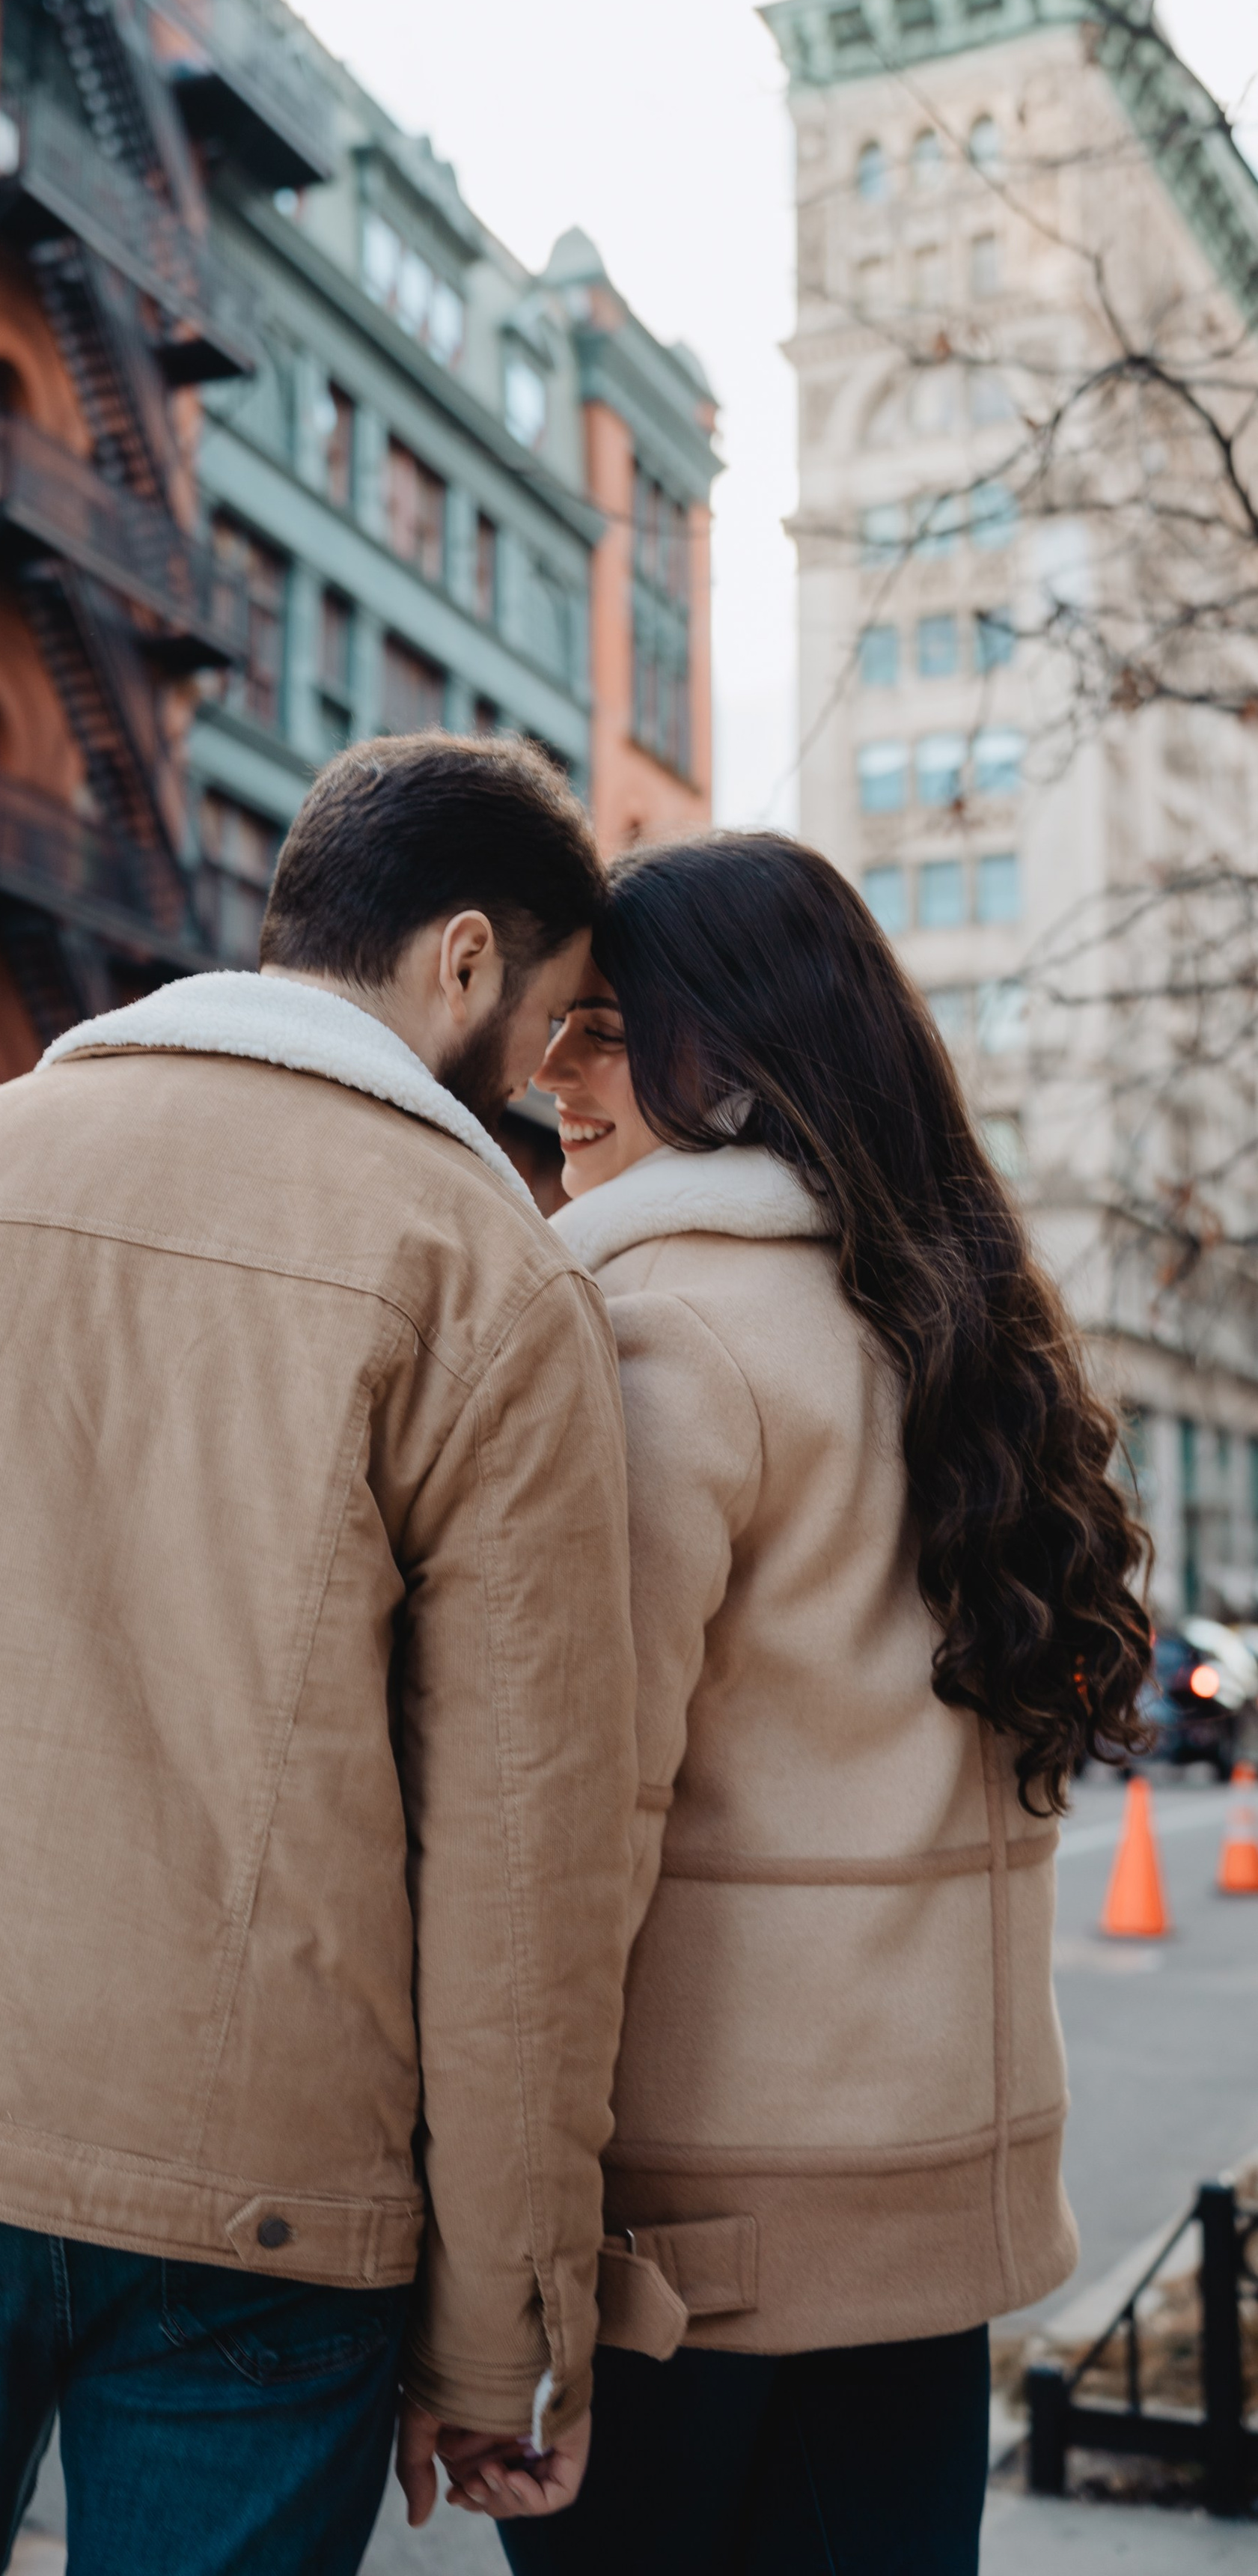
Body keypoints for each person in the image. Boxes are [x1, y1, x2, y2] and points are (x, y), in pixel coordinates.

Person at [0, 734, 637, 2576]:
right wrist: (498, 2331)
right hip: (265, 2202)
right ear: (456, 960)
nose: (540, 1068)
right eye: (551, 1011)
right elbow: (523, 1867)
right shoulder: (489, 1276)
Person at [443, 832, 1149, 2571]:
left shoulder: (650, 1332)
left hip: (687, 2254)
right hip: (927, 2228)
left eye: (603, 1029)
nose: (549, 1080)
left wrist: (489, 2291)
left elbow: (553, 1847)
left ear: (732, 1050)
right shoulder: (958, 1322)